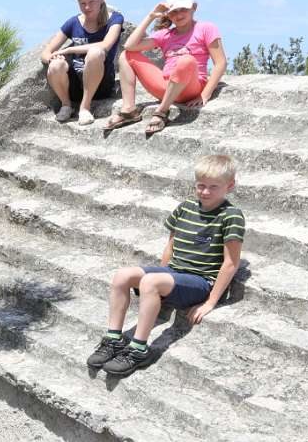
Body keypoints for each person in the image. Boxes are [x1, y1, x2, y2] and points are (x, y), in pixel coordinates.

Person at [86, 154, 245, 377]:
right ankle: (113, 339)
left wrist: (210, 302)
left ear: (230, 186)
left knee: (150, 282)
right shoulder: (186, 207)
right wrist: (161, 278)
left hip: (201, 281)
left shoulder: (231, 216)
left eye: (213, 187)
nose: (205, 192)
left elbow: (230, 263)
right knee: (123, 275)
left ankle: (139, 349)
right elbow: (170, 246)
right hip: (174, 273)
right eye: (201, 185)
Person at [105, 0, 227, 138]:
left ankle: (162, 111)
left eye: (183, 9)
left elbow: (221, 63)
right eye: (173, 11)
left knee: (186, 60)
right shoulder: (165, 35)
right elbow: (129, 46)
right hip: (165, 86)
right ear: (168, 14)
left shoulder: (206, 28)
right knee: (126, 55)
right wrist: (150, 16)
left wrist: (205, 95)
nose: (178, 15)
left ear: (194, 7)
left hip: (190, 88)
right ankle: (129, 110)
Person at [41, 0, 124, 126]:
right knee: (55, 65)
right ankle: (66, 105)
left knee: (96, 53)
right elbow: (45, 53)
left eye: (92, 2)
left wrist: (70, 50)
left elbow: (105, 45)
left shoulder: (115, 19)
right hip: (74, 85)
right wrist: (53, 58)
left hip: (101, 84)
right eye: (82, 3)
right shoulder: (73, 22)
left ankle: (85, 108)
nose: (87, 7)